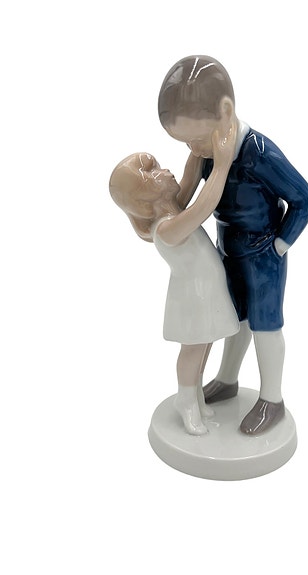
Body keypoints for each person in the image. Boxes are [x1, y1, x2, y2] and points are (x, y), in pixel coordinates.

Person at [158, 55, 308, 435]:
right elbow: (184, 202)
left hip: (262, 253)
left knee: (265, 325)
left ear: (226, 113)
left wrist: (280, 245)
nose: (193, 147)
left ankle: (272, 399)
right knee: (233, 319)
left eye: (197, 138)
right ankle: (228, 379)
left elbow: (303, 198)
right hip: (228, 248)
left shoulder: (258, 151)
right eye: (185, 142)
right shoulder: (206, 153)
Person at [109, 151, 239, 435]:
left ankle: (197, 394)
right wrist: (221, 165)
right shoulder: (167, 228)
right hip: (193, 298)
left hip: (209, 291)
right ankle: (186, 400)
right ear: (144, 199)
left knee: (207, 343)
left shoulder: (174, 210)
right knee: (193, 349)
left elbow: (190, 177)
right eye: (153, 172)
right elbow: (204, 205)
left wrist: (197, 151)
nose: (164, 170)